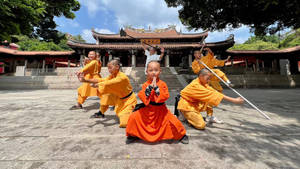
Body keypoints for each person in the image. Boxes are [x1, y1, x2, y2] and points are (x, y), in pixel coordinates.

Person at [126, 61, 188, 144]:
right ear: (146, 72)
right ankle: (132, 135)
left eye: (156, 70)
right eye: (151, 70)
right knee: (133, 117)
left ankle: (181, 135)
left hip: (161, 110)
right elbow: (142, 96)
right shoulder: (145, 84)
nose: (153, 72)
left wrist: (156, 89)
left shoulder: (163, 84)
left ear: (160, 71)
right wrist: (149, 89)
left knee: (174, 122)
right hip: (148, 109)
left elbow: (165, 96)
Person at [177, 69, 244, 130]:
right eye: (207, 78)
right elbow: (212, 94)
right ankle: (184, 115)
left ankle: (209, 116)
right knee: (201, 125)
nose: (209, 81)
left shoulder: (203, 83)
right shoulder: (196, 85)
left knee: (210, 99)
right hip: (186, 106)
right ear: (201, 76)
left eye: (209, 79)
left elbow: (213, 92)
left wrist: (227, 81)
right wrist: (234, 100)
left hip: (195, 104)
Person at [78, 59, 137, 128]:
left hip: (129, 101)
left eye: (110, 68)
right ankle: (101, 112)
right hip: (119, 100)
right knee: (106, 93)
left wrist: (98, 85)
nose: (109, 70)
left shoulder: (122, 77)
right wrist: (85, 80)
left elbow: (109, 82)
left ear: (117, 67)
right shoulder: (112, 76)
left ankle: (135, 112)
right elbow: (101, 80)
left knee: (124, 123)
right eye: (108, 68)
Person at [191, 48, 232, 123]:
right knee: (208, 98)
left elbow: (210, 55)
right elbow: (197, 71)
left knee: (218, 91)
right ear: (194, 55)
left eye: (199, 53)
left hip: (212, 77)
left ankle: (228, 82)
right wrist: (198, 64)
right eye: (197, 54)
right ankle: (208, 115)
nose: (198, 55)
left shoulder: (205, 58)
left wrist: (209, 50)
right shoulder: (194, 63)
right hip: (204, 79)